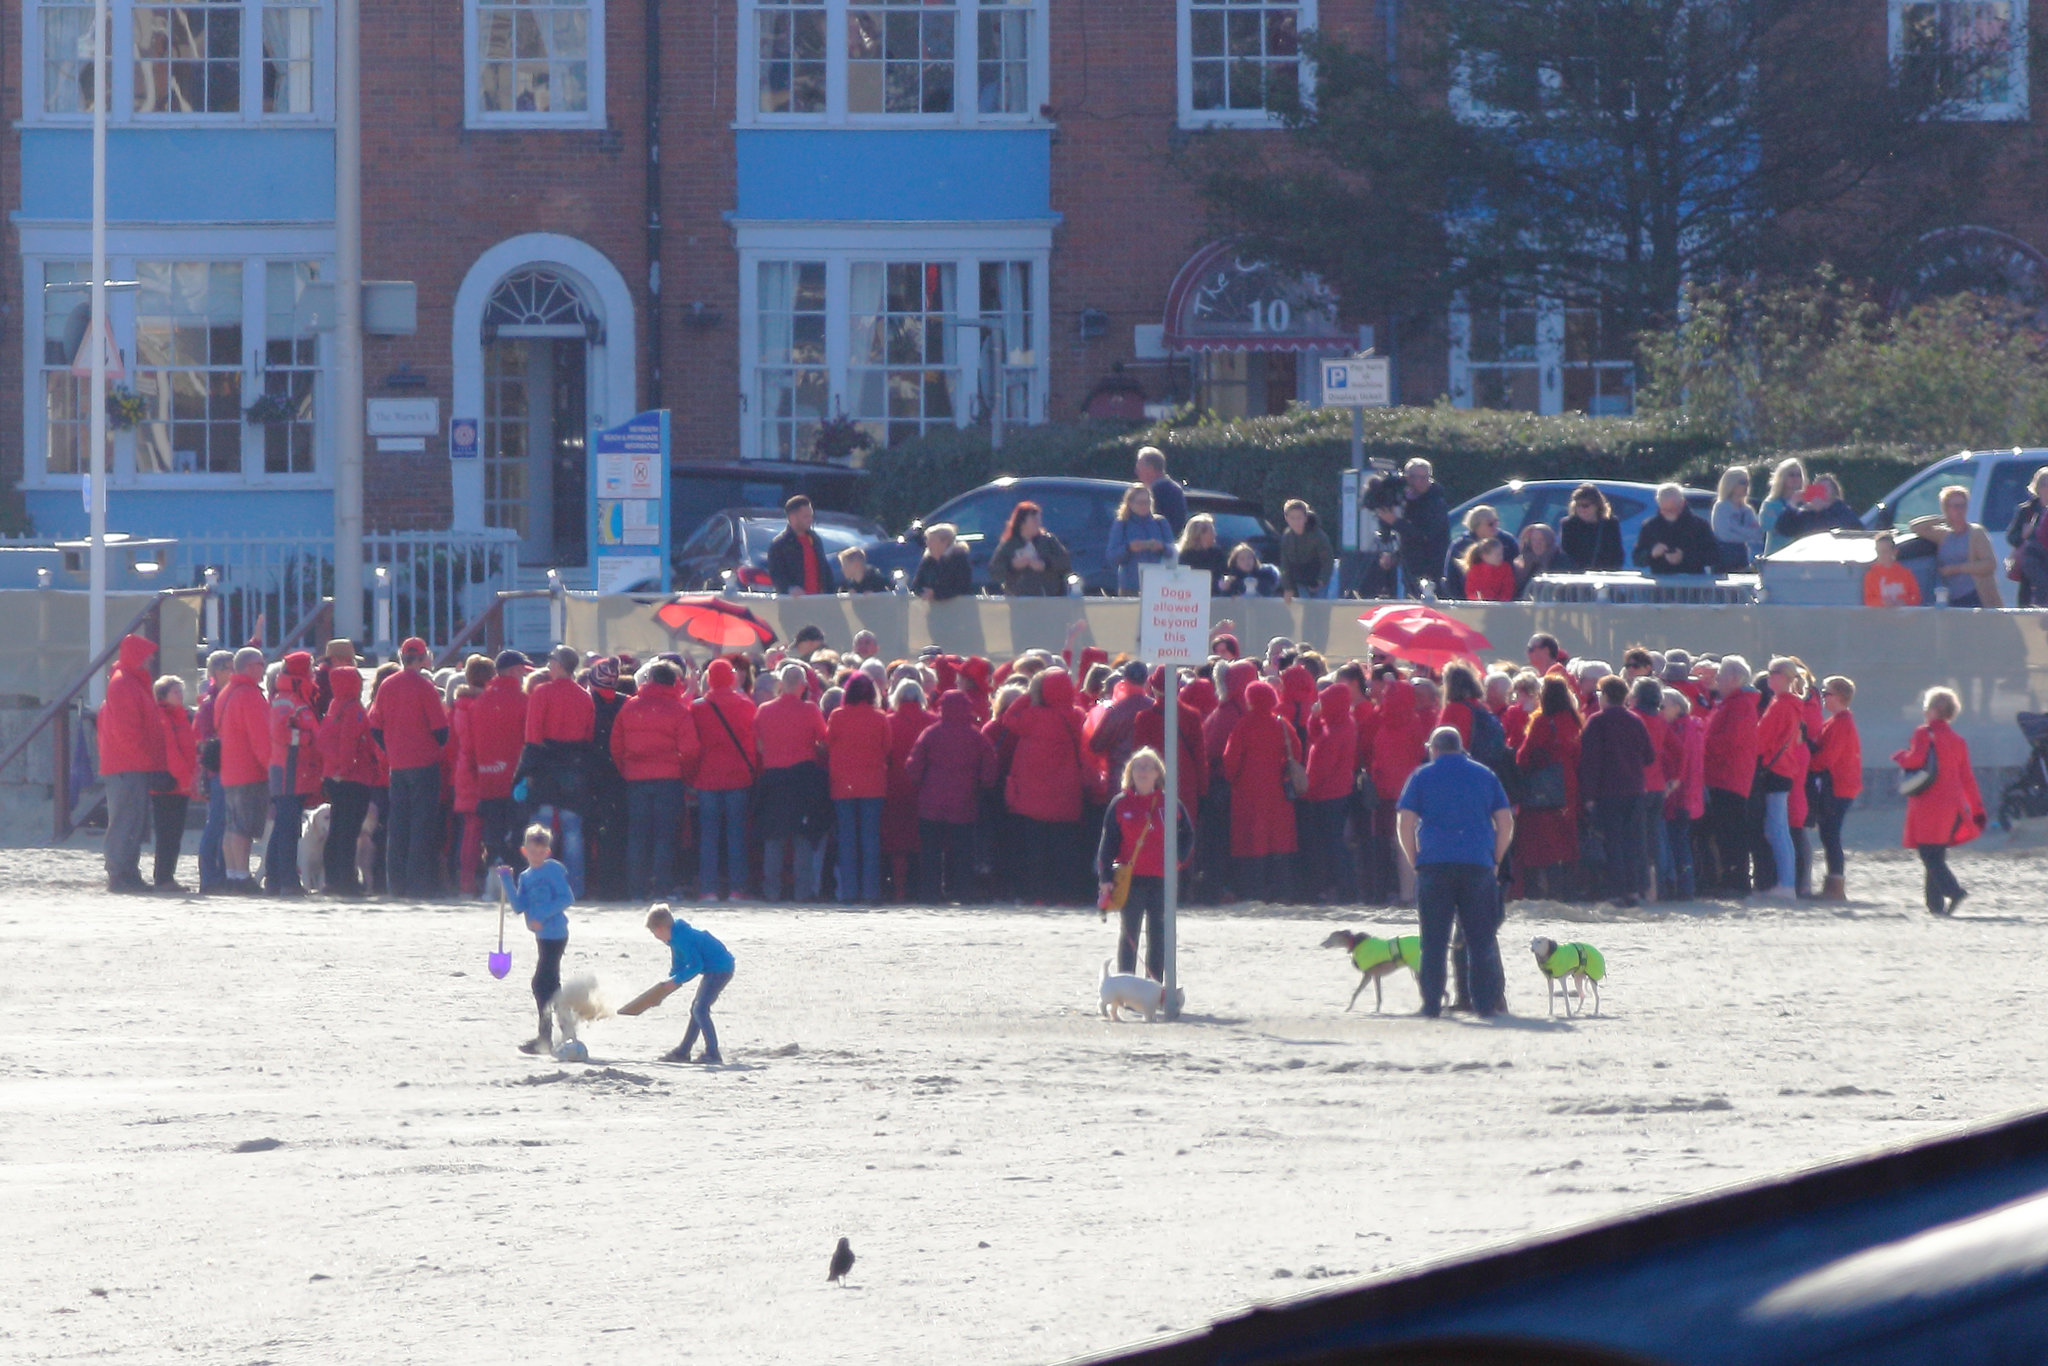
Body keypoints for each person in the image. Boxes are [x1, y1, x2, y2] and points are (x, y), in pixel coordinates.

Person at [1396, 727, 1513, 1017]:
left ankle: (1432, 1004)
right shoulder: (1485, 775)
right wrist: (1495, 858)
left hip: (1434, 864)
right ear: (1460, 748)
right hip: (1477, 863)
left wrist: (1415, 859)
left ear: (1433, 748)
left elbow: (1405, 823)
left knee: (1433, 940)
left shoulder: (1422, 776)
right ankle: (1484, 1005)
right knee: (1480, 940)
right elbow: (1505, 821)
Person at [1095, 748, 1195, 981]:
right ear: (1130, 772)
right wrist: (1105, 879)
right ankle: (1127, 984)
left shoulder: (1170, 803)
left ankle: (1154, 985)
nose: (1143, 771)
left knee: (1158, 934)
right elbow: (1107, 844)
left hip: (1162, 879)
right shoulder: (1120, 804)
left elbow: (1188, 834)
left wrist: (1178, 860)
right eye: (1138, 766)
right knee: (1129, 934)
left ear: (1157, 773)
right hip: (1131, 879)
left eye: (1148, 766)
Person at [609, 660, 700, 900]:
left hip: (636, 779)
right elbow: (690, 750)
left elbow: (616, 746)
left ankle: (636, 890)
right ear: (674, 682)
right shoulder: (678, 709)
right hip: (669, 779)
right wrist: (685, 774)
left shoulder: (629, 707)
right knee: (665, 837)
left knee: (637, 837)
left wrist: (626, 769)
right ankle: (662, 889)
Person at [368, 637, 449, 898]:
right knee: (421, 825)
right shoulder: (425, 687)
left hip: (398, 765)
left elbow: (375, 725)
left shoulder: (387, 685)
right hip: (424, 763)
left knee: (398, 825)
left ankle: (396, 884)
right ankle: (417, 884)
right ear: (423, 657)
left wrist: (390, 750)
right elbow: (440, 729)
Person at [1893, 686, 1984, 917]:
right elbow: (1967, 778)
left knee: (1928, 854)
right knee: (1936, 853)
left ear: (1934, 709)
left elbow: (1915, 761)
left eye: (1927, 707)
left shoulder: (1924, 733)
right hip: (1952, 806)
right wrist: (1977, 809)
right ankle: (1935, 906)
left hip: (1928, 804)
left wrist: (1900, 756)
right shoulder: (1958, 740)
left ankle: (1953, 892)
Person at [514, 644, 595, 897]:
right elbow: (588, 736)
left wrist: (526, 770)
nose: (548, 664)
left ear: (559, 664)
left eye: (551, 660)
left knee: (540, 828)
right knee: (573, 831)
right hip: (573, 767)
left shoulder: (542, 693)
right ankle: (575, 889)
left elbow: (533, 735)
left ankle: (537, 886)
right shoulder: (585, 696)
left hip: (545, 767)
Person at [907, 688, 998, 902]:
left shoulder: (931, 733)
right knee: (962, 852)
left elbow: (913, 767)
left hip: (931, 802)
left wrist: (918, 784)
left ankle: (930, 892)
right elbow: (989, 772)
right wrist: (983, 786)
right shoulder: (976, 736)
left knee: (931, 852)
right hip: (964, 803)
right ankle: (963, 892)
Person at [96, 633, 168, 895]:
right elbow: (128, 732)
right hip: (127, 765)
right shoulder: (124, 684)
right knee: (125, 819)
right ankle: (118, 872)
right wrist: (148, 758)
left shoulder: (129, 682)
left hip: (131, 764)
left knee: (132, 820)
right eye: (146, 654)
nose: (150, 658)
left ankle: (127, 872)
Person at [619, 905, 735, 1065]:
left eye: (654, 933)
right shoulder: (673, 938)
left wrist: (676, 980)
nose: (655, 937)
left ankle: (713, 1054)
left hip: (721, 969)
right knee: (697, 1009)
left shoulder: (682, 937)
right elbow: (678, 964)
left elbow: (696, 965)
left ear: (661, 928)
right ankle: (683, 1052)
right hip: (714, 970)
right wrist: (667, 984)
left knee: (700, 1009)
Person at [754, 662, 831, 902]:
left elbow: (759, 746)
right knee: (802, 838)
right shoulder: (810, 711)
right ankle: (802, 892)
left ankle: (772, 891)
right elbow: (823, 742)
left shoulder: (764, 711)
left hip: (774, 778)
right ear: (801, 685)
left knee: (774, 838)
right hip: (802, 778)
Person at [1577, 676, 1655, 907]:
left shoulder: (1596, 722)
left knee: (1613, 843)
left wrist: (1589, 797)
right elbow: (1649, 756)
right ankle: (1633, 891)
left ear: (1605, 696)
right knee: (1634, 843)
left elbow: (1589, 762)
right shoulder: (1636, 721)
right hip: (1635, 790)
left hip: (1607, 792)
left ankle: (1616, 891)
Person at [498, 824, 572, 1054]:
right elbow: (519, 906)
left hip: (557, 934)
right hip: (542, 936)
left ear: (548, 852)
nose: (537, 855)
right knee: (550, 984)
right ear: (524, 851)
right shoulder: (526, 877)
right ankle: (562, 1033)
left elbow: (566, 898)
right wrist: (507, 881)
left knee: (541, 983)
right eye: (533, 851)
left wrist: (541, 915)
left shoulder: (552, 871)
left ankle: (547, 1037)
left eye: (541, 851)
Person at [1223, 680, 1299, 898]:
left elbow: (1231, 760)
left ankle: (1253, 891)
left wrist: (1233, 780)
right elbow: (1296, 751)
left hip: (1249, 793)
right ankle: (1283, 892)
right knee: (1279, 842)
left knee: (1252, 843)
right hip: (1278, 793)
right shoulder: (1281, 723)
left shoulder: (1244, 725)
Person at [691, 657, 758, 901]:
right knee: (736, 835)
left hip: (707, 777)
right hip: (738, 776)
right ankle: (737, 889)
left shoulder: (697, 707)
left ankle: (708, 889)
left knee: (708, 836)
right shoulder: (746, 704)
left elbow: (693, 744)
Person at [825, 673, 891, 905]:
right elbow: (886, 748)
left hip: (843, 785)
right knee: (870, 839)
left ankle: (849, 892)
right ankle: (871, 892)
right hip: (873, 784)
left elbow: (829, 742)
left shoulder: (837, 716)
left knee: (847, 840)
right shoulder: (880, 718)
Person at [1513, 677, 1582, 900]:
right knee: (1565, 840)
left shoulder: (1542, 722)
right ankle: (1565, 890)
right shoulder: (1574, 721)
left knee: (1540, 842)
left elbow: (1523, 756)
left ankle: (1539, 891)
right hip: (1568, 785)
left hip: (1543, 789)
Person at [317, 664, 381, 898]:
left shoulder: (334, 707)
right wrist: (344, 768)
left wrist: (331, 770)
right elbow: (348, 743)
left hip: (334, 776)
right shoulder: (353, 709)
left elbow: (323, 741)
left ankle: (333, 879)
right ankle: (346, 880)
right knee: (349, 831)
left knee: (336, 830)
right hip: (352, 778)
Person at [262, 651, 321, 897]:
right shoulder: (286, 699)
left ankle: (275, 879)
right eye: (310, 668)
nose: (314, 672)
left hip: (296, 771)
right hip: (288, 770)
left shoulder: (297, 696)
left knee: (283, 828)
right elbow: (281, 733)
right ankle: (286, 881)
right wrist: (309, 738)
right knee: (287, 828)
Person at [215, 647, 272, 894]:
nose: (264, 667)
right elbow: (260, 737)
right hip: (248, 771)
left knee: (232, 826)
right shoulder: (249, 695)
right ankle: (242, 877)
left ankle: (232, 874)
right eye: (260, 663)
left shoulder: (226, 692)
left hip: (230, 770)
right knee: (244, 829)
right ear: (250, 667)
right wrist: (272, 767)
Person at [1702, 655, 1760, 893]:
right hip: (1724, 776)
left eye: (1722, 675)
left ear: (1735, 678)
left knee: (1731, 832)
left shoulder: (1740, 704)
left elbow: (1730, 741)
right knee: (1726, 830)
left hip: (1730, 777)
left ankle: (1736, 880)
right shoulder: (1730, 703)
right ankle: (1732, 878)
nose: (1717, 679)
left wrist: (1703, 744)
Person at [1751, 658, 1808, 900]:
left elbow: (1760, 739)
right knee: (1779, 829)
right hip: (1784, 769)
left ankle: (1786, 884)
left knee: (1777, 829)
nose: (1768, 676)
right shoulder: (1790, 704)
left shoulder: (1780, 705)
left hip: (1775, 770)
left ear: (1783, 677)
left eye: (1772, 672)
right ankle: (1786, 882)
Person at [1301, 683, 1358, 902]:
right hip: (1334, 791)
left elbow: (1322, 766)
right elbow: (1315, 734)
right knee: (1333, 843)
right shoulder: (1342, 723)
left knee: (1332, 844)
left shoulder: (1338, 730)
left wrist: (1307, 787)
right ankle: (1342, 888)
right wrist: (1315, 718)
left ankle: (1344, 889)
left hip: (1328, 793)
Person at [1811, 674, 1862, 902]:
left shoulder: (1842, 723)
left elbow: (1827, 758)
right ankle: (1834, 883)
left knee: (1830, 834)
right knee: (1829, 834)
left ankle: (1835, 885)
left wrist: (1807, 764)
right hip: (1839, 786)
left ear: (1840, 697)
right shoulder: (1835, 721)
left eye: (1827, 693)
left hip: (1839, 787)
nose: (1823, 697)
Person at [1909, 484, 2002, 608]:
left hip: (1976, 595)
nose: (1960, 510)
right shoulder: (1943, 535)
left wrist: (1957, 569)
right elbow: (1915, 526)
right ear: (1946, 508)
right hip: (1951, 598)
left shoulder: (1976, 533)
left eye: (1963, 505)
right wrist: (1942, 519)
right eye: (1956, 506)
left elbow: (1990, 564)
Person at [192, 650, 235, 894]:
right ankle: (209, 876)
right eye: (228, 667)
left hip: (230, 769)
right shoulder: (210, 703)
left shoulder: (225, 696)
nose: (232, 671)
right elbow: (208, 739)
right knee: (216, 824)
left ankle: (221, 874)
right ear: (217, 671)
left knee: (226, 824)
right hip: (217, 770)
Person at [1659, 688, 1705, 901]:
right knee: (1681, 841)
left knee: (1678, 842)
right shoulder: (1691, 726)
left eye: (1663, 706)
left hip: (1680, 795)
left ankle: (1684, 888)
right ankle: (1685, 886)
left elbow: (1681, 762)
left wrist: (1670, 790)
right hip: (1688, 794)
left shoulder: (1682, 729)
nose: (1660, 710)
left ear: (1677, 708)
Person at [152, 676, 197, 892]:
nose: (180, 695)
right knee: (167, 833)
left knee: (174, 833)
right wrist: (186, 780)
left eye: (181, 691)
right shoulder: (163, 716)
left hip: (179, 783)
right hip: (169, 783)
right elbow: (172, 752)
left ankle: (166, 876)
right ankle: (163, 878)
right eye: (175, 692)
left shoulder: (181, 716)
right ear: (163, 695)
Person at [1632, 484, 1720, 576]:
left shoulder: (1699, 525)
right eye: (1665, 510)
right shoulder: (1650, 526)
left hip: (1693, 583)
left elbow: (1714, 556)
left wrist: (1685, 557)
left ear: (1682, 503)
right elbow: (1637, 559)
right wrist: (1652, 553)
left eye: (1673, 509)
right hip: (1662, 584)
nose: (1669, 513)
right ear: (1659, 505)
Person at [1106, 483, 1176, 595]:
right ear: (1129, 503)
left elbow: (1173, 552)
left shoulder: (1160, 522)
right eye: (1140, 503)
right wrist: (1129, 548)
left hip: (1159, 584)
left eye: (1147, 502)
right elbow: (1112, 557)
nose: (1144, 506)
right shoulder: (1122, 524)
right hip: (1131, 587)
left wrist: (1161, 547)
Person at [990, 501, 1073, 596]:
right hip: (1019, 601)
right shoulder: (1009, 545)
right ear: (1022, 523)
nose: (1039, 523)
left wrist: (1045, 564)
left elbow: (1066, 563)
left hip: (1048, 599)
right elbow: (994, 571)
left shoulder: (1049, 541)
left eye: (1039, 520)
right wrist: (1012, 565)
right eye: (1034, 520)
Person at [1395, 458, 1450, 598]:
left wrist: (1395, 522)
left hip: (1431, 567)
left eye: (1423, 477)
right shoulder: (1404, 500)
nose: (1418, 482)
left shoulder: (1436, 502)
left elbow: (1425, 535)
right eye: (1413, 477)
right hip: (1410, 563)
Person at [768, 494, 837, 596]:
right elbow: (777, 576)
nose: (810, 519)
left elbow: (826, 572)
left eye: (811, 515)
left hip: (819, 603)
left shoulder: (815, 539)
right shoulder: (779, 545)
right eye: (806, 516)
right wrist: (789, 589)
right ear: (792, 518)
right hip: (794, 605)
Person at [1772, 475, 1861, 546]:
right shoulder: (1806, 513)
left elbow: (1848, 529)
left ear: (1834, 492)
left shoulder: (1842, 510)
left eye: (1824, 488)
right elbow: (1783, 530)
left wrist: (1822, 511)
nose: (1820, 491)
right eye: (1817, 488)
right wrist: (1791, 506)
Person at [2005, 467, 2048, 607]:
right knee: (2027, 610)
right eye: (2044, 484)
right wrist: (2023, 536)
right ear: (2038, 487)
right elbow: (2011, 537)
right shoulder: (2026, 510)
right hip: (2030, 571)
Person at [1278, 499, 1336, 601]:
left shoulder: (1318, 535)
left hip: (1320, 579)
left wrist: (1321, 581)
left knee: (1321, 609)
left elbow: (1328, 560)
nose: (1296, 522)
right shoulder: (1287, 537)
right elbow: (1285, 564)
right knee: (1307, 609)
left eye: (1299, 518)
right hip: (1302, 580)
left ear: (1305, 517)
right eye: (1292, 518)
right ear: (1286, 518)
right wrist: (1288, 588)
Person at [1559, 484, 1625, 572]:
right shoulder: (1568, 524)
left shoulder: (1610, 523)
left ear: (1597, 506)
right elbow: (1566, 554)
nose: (1581, 509)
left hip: (1604, 574)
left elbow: (1617, 553)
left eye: (1585, 505)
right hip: (1578, 576)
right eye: (1578, 505)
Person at [1710, 467, 1764, 570]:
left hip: (1742, 557)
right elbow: (1724, 535)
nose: (1747, 486)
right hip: (1724, 559)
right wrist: (1746, 534)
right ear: (1731, 484)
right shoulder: (1721, 507)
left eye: (1748, 482)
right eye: (1743, 482)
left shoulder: (1747, 510)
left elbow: (1757, 534)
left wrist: (1735, 527)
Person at [1758, 458, 1808, 556]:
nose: (1795, 478)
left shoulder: (1807, 504)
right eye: (1791, 475)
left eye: (1798, 475)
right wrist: (1791, 506)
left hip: (1801, 556)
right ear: (1782, 477)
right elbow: (1766, 526)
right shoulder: (1771, 503)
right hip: (1776, 557)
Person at [912, 523, 974, 601]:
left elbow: (961, 588)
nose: (928, 543)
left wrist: (936, 594)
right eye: (927, 540)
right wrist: (923, 592)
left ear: (945, 542)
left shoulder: (959, 559)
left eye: (932, 540)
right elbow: (916, 585)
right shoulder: (927, 560)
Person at [1136, 446, 1188, 535]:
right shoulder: (1175, 490)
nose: (1136, 472)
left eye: (1139, 468)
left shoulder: (1157, 493)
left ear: (1150, 469)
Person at [1863, 530, 1922, 607]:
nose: (1881, 555)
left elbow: (1916, 597)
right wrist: (1882, 602)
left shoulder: (1905, 573)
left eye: (1885, 551)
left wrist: (1905, 602)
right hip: (1881, 616)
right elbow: (1868, 600)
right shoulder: (1871, 575)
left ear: (1894, 552)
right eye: (1879, 551)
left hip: (1903, 616)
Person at [1177, 513, 1230, 591]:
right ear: (1199, 534)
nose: (1215, 534)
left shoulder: (1217, 553)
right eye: (1211, 532)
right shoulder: (1185, 556)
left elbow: (1225, 573)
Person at [1216, 542, 1282, 597]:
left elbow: (1267, 591)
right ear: (1235, 562)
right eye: (1242, 559)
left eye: (1250, 558)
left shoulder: (1265, 576)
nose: (1247, 561)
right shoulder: (1231, 580)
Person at [1513, 523, 1561, 597]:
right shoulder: (1520, 564)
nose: (1537, 544)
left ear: (1549, 541)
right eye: (1533, 540)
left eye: (1541, 539)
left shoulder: (1560, 561)